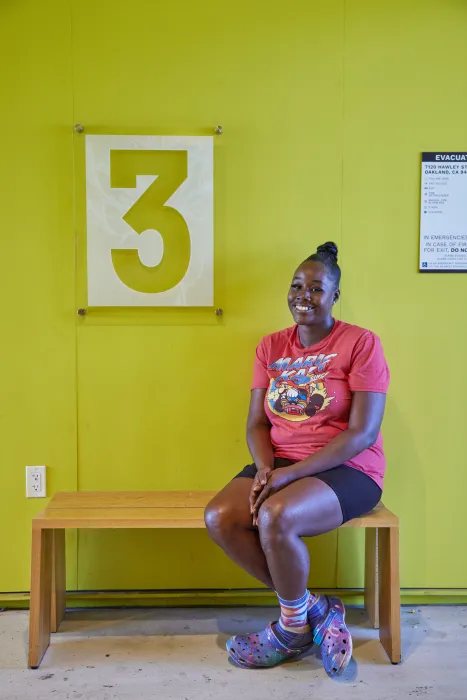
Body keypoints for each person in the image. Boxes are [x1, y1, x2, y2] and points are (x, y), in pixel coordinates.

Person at [204, 242, 390, 676]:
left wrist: (290, 477)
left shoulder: (361, 343)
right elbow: (255, 424)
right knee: (220, 517)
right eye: (296, 286)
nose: (303, 295)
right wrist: (267, 467)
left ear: (335, 296)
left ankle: (291, 631)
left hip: (349, 468)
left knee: (276, 517)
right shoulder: (270, 347)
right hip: (282, 462)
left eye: (316, 288)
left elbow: (362, 433)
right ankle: (318, 609)